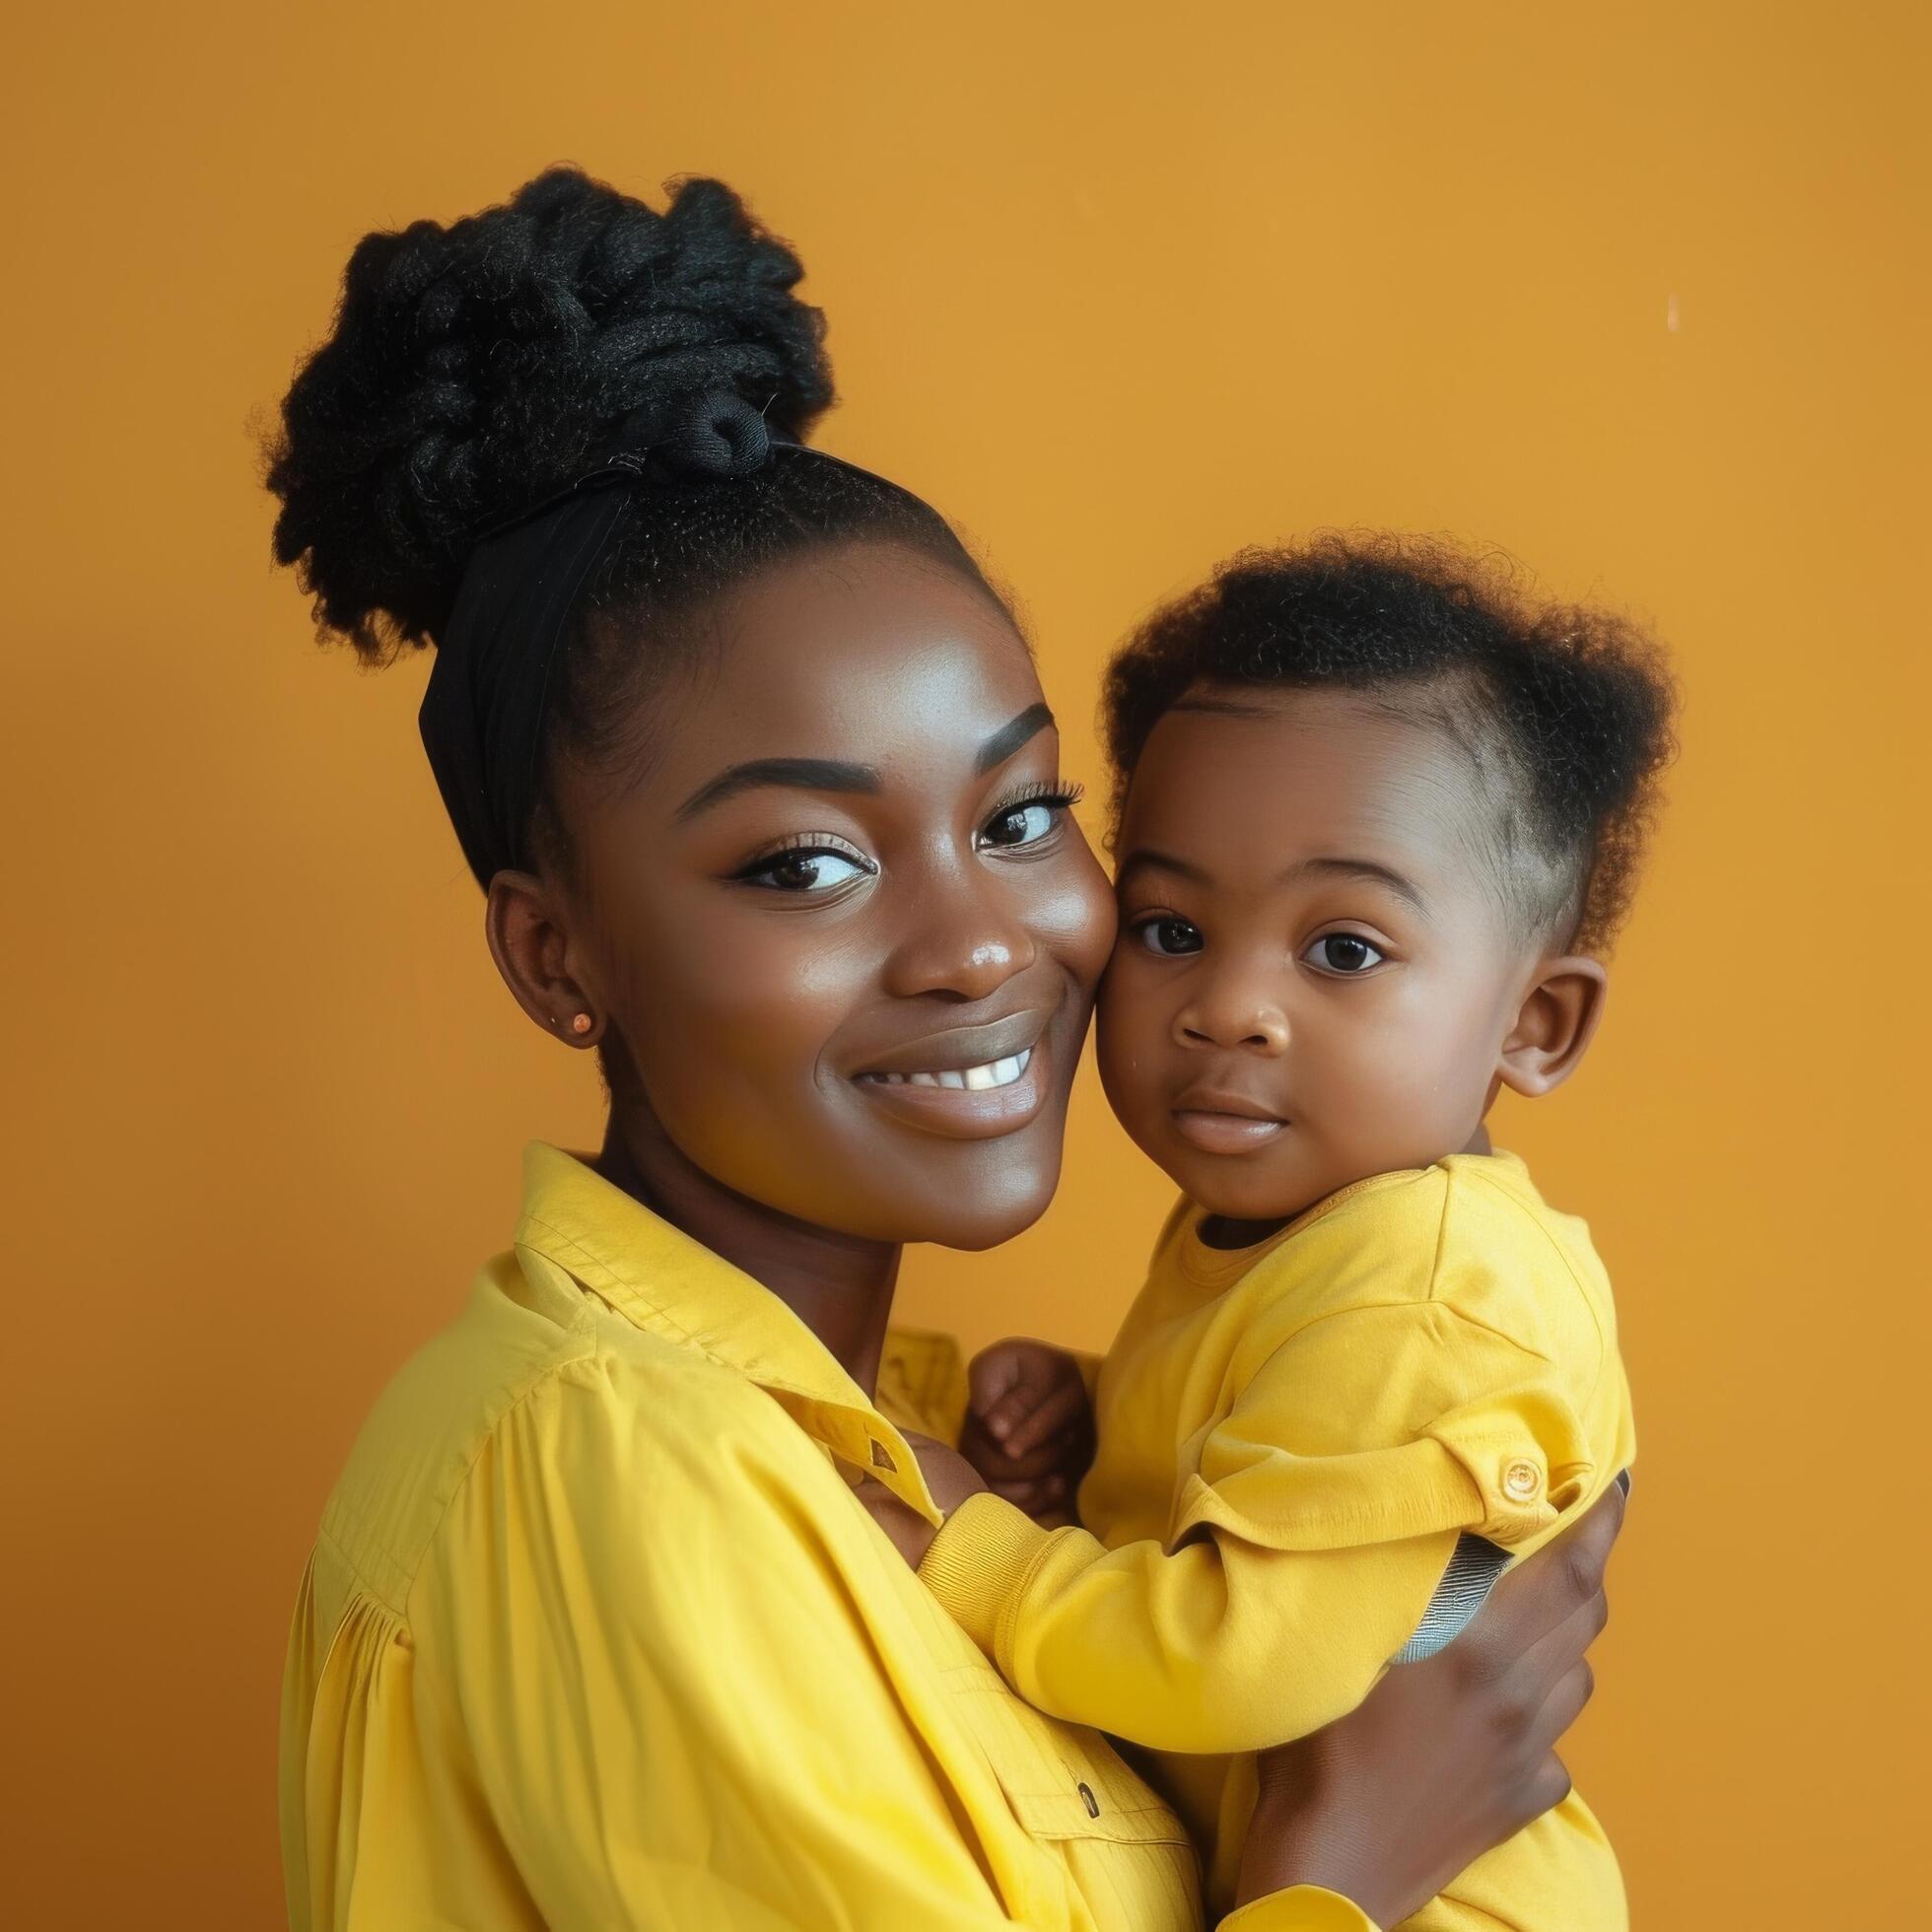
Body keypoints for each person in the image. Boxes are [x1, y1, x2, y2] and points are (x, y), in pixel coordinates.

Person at [268, 167, 1622, 1931]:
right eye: (806, 863)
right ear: (556, 953)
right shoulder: (619, 1482)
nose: (986, 939)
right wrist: (1341, 1872)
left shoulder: (904, 1444)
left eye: (1021, 813)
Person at [917, 540, 1670, 1927]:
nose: (1231, 1007)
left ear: (1534, 1023)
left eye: (1343, 950)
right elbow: (1293, 1490)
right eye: (1170, 928)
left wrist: (975, 1548)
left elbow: (1233, 1662)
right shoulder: (1306, 1234)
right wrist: (1102, 1426)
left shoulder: (1429, 1295)